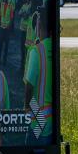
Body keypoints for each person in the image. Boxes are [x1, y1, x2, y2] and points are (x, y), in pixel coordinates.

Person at [23, 12, 53, 142]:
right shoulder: (53, 47)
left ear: (39, 26)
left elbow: (29, 86)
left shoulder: (37, 51)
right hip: (53, 116)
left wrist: (26, 109)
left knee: (31, 149)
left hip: (40, 118)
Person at [0, 0, 15, 66]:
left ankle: (4, 60)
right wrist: (0, 21)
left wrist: (9, 25)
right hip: (2, 28)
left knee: (6, 45)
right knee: (0, 44)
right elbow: (0, 15)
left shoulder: (10, 6)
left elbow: (12, 18)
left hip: (7, 29)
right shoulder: (2, 5)